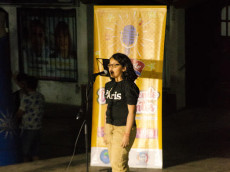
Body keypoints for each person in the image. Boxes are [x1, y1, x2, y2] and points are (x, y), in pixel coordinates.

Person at [104, 53, 139, 172]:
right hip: (110, 126)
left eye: (115, 65)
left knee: (118, 165)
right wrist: (106, 129)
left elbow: (131, 112)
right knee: (117, 164)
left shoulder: (129, 86)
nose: (111, 68)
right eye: (109, 65)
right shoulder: (108, 85)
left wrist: (127, 134)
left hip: (123, 128)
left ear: (124, 68)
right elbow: (109, 108)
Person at [16, 76, 45, 162]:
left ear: (26, 85)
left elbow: (20, 113)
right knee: (35, 153)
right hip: (38, 128)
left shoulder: (26, 98)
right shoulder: (40, 96)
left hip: (27, 129)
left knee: (24, 153)